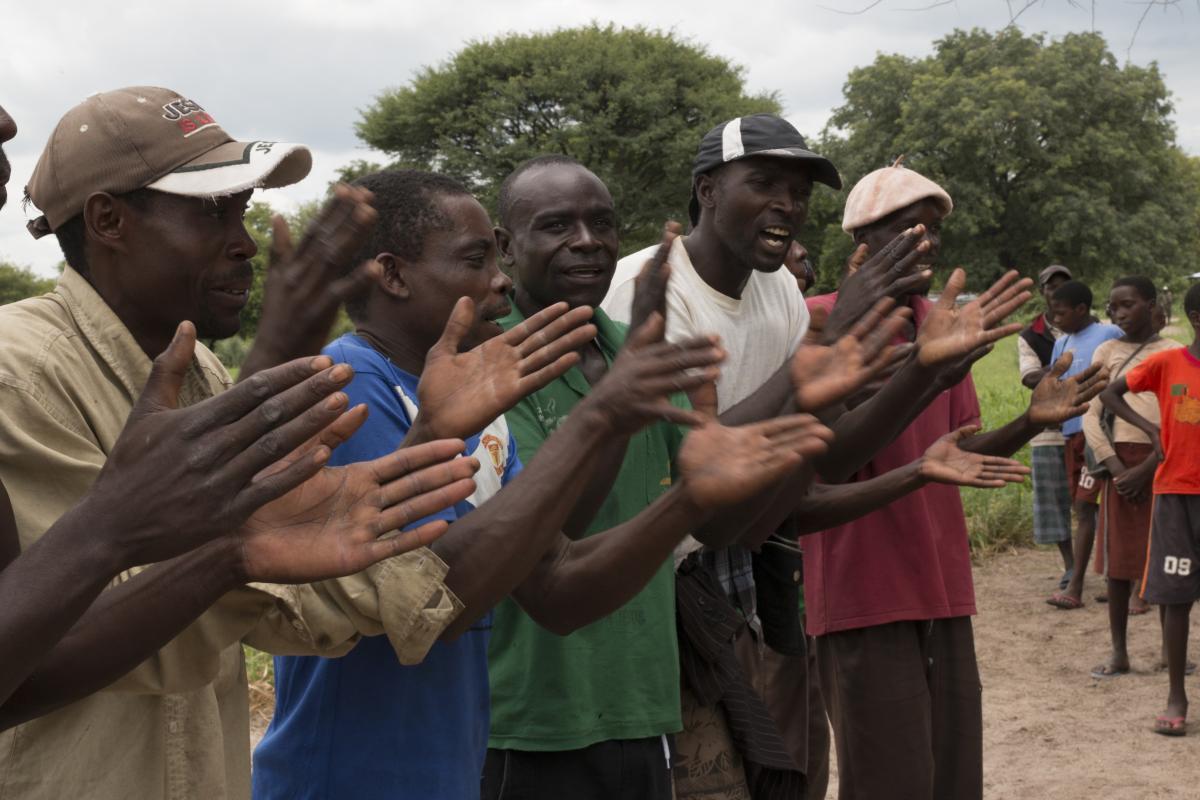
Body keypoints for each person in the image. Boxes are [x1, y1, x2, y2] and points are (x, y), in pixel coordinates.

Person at [0, 86, 587, 800]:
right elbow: (68, 646)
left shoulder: (203, 377)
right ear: (108, 219)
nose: (244, 240)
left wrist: (429, 441)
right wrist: (230, 555)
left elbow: (277, 599)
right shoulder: (23, 373)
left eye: (242, 209)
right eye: (211, 210)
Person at [253, 168, 832, 800]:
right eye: (476, 259)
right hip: (347, 779)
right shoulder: (346, 391)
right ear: (393, 275)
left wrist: (685, 494)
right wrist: (604, 418)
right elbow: (422, 606)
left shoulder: (476, 404)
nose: (499, 278)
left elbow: (555, 589)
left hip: (449, 773)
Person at [604, 119, 1060, 799]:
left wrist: (926, 375)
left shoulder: (778, 295)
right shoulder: (642, 291)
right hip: (637, 584)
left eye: (798, 192)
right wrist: (839, 341)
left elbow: (817, 457)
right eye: (763, 183)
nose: (787, 204)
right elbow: (679, 477)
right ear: (706, 189)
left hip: (732, 572)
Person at [798, 163, 1108, 800]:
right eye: (908, 227)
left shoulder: (943, 328)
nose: (927, 242)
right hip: (863, 592)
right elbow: (825, 461)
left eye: (934, 229)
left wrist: (1031, 419)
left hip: (942, 587)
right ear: (862, 237)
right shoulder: (816, 322)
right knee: (890, 782)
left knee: (952, 780)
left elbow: (960, 452)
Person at [1101, 282, 1200, 736]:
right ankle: (1176, 697)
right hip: (1177, 496)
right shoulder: (1167, 363)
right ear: (1196, 320)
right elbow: (1110, 394)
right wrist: (1153, 428)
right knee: (1175, 597)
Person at [1084, 277, 1181, 678]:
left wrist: (1149, 468)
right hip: (1121, 465)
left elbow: (1181, 422)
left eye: (1128, 305)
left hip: (1164, 465)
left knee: (1165, 561)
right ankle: (1119, 652)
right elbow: (1092, 416)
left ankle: (1167, 651)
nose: (1119, 314)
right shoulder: (1106, 352)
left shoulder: (1175, 353)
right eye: (1114, 307)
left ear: (1150, 305)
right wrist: (1119, 469)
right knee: (1119, 566)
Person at [1045, 280, 1123, 610]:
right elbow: (1055, 385)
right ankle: (1113, 578)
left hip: (1100, 434)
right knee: (1083, 507)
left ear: (1080, 309)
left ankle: (1080, 584)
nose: (1055, 319)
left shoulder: (1109, 335)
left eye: (1060, 313)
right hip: (1070, 435)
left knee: (1094, 506)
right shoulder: (1061, 342)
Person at [1019, 264, 1074, 587]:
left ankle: (1097, 567)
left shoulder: (1094, 326)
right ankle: (1071, 566)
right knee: (1054, 503)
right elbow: (1028, 377)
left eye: (1063, 285)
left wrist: (1050, 373)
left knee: (1092, 502)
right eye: (1051, 287)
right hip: (1048, 432)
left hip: (1087, 427)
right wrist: (1068, 368)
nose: (1057, 292)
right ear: (1043, 292)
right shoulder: (1031, 334)